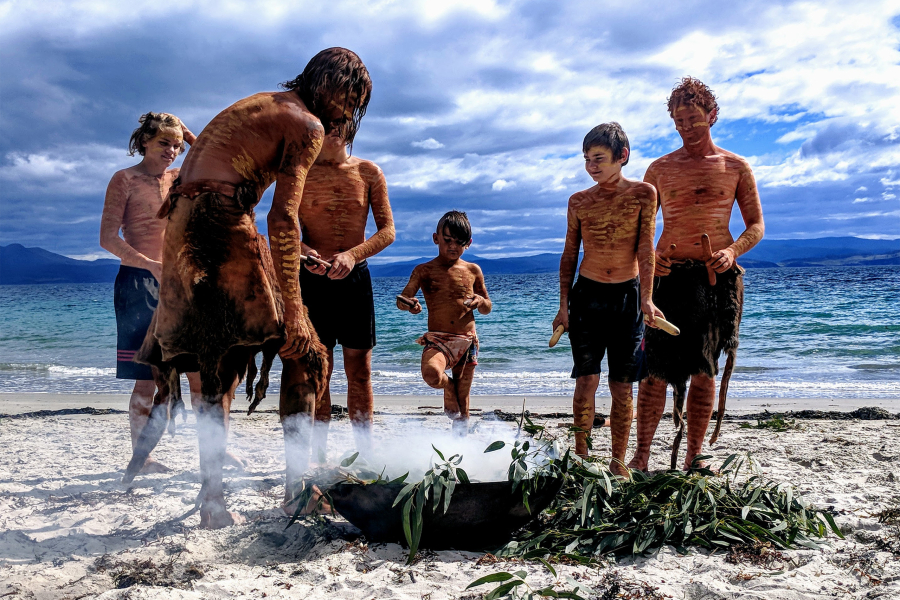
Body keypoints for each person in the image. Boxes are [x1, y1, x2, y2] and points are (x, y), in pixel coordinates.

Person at [126, 48, 372, 529]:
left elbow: (221, 180)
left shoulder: (265, 103)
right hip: (216, 224)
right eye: (349, 99)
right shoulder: (306, 124)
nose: (347, 113)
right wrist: (296, 312)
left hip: (183, 225)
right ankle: (297, 494)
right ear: (331, 84)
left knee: (221, 360)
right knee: (308, 354)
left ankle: (214, 502)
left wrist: (268, 251)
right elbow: (283, 216)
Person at [627, 77, 764, 472]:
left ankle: (694, 456)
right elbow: (641, 227)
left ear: (713, 115)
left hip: (715, 280)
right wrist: (651, 257)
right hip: (667, 280)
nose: (685, 128)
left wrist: (732, 251)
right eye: (678, 121)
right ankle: (640, 457)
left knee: (705, 371)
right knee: (653, 372)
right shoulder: (660, 169)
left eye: (693, 120)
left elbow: (756, 225)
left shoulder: (735, 166)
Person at [551, 123, 662, 475]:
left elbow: (646, 248)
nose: (591, 166)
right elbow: (570, 253)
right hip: (587, 296)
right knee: (587, 379)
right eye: (586, 159)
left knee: (621, 385)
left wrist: (647, 298)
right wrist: (562, 305)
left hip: (627, 299)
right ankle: (581, 458)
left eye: (598, 158)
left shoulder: (644, 194)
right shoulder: (579, 201)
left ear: (622, 156)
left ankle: (617, 463)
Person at [100, 112, 203, 474]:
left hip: (181, 284)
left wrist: (186, 133)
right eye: (164, 143)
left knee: (199, 374)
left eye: (176, 145)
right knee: (146, 379)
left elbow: (206, 155)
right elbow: (108, 238)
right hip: (137, 283)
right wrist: (148, 264)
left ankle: (214, 453)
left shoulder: (181, 178)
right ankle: (141, 458)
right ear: (144, 140)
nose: (172, 151)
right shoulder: (124, 179)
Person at [297, 127, 395, 456]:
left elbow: (388, 231)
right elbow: (282, 226)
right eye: (328, 125)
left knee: (360, 371)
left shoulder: (369, 172)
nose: (335, 132)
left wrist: (352, 255)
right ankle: (318, 455)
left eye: (342, 125)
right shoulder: (300, 172)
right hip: (311, 279)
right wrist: (305, 250)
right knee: (317, 371)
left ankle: (365, 453)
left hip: (355, 280)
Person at [396, 211, 492, 436]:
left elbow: (488, 306)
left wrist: (480, 302)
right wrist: (411, 305)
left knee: (463, 400)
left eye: (459, 243)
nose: (453, 247)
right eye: (447, 240)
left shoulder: (472, 270)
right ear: (435, 238)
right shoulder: (424, 270)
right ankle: (448, 386)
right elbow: (403, 300)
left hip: (467, 341)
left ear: (468, 244)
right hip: (439, 340)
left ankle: (460, 445)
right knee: (431, 374)